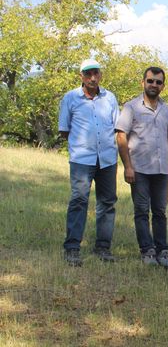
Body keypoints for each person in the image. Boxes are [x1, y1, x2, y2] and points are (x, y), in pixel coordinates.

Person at [115, 66, 168, 268]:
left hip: (160, 169)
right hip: (139, 169)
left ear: (163, 86)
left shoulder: (166, 109)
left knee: (160, 211)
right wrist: (127, 167)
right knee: (142, 211)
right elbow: (121, 135)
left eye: (158, 82)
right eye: (150, 81)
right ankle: (147, 251)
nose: (154, 85)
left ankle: (163, 250)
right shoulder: (131, 107)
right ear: (143, 83)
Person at [58, 59, 119, 266]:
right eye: (88, 74)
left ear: (100, 75)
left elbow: (117, 128)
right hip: (82, 160)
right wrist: (82, 146)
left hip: (108, 159)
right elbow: (64, 130)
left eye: (96, 73)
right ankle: (72, 248)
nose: (92, 77)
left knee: (107, 203)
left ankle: (103, 247)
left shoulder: (110, 98)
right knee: (78, 201)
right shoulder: (71, 98)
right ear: (81, 76)